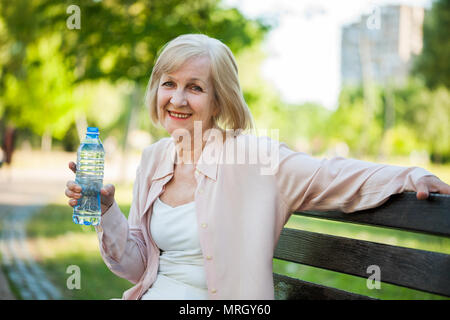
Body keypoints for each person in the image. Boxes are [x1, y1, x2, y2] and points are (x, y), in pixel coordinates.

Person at [65, 34, 450, 300]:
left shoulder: (255, 159)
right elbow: (138, 268)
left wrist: (410, 175)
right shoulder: (154, 158)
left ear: (220, 101)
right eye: (169, 84)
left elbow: (331, 174)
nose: (177, 99)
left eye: (195, 88)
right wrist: (105, 212)